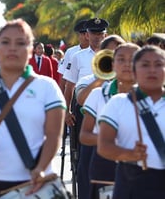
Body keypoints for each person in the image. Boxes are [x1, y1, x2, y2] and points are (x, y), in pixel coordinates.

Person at [0, 19, 66, 199]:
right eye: (5, 42)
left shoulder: (47, 87)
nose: (13, 48)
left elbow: (54, 136)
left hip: (35, 183)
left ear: (31, 49)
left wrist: (40, 169)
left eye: (21, 43)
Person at [98, 45, 165, 198]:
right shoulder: (118, 102)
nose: (152, 70)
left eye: (159, 64)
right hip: (131, 186)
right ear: (134, 71)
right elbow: (104, 146)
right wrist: (129, 154)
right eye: (145, 65)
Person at [79, 43, 140, 199]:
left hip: (143, 171)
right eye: (121, 59)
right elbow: (84, 135)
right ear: (112, 65)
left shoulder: (155, 98)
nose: (127, 64)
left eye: (133, 59)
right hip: (105, 168)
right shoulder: (98, 94)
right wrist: (110, 144)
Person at [63, 17, 109, 199]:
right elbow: (69, 86)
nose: (97, 37)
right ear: (87, 34)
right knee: (85, 157)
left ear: (105, 34)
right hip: (84, 110)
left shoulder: (115, 55)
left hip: (109, 106)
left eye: (100, 34)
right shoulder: (77, 57)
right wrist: (66, 111)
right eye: (93, 33)